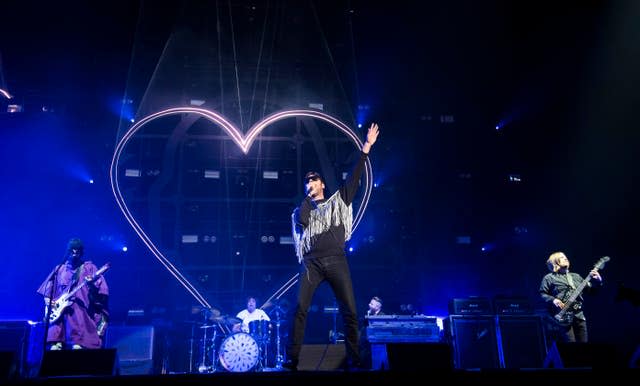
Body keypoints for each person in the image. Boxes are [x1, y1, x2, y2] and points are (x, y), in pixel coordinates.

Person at [284, 123, 380, 371]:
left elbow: (355, 179)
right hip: (311, 264)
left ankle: (354, 358)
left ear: (323, 184)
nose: (310, 182)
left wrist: (366, 147)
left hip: (336, 260)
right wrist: (308, 194)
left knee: (349, 310)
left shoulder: (338, 202)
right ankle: (292, 359)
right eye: (307, 181)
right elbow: (304, 221)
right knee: (299, 310)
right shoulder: (301, 209)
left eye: (314, 180)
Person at [37, 238, 109, 350]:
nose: (75, 254)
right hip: (59, 315)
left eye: (78, 251)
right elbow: (48, 289)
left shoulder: (89, 268)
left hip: (79, 314)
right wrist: (47, 300)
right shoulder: (59, 269)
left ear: (81, 252)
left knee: (77, 347)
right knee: (55, 348)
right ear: (68, 251)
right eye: (72, 251)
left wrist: (90, 285)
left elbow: (101, 293)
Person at [539, 251, 603, 343]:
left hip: (579, 316)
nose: (565, 258)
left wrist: (599, 281)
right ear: (555, 262)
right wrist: (554, 300)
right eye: (561, 257)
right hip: (563, 317)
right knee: (571, 349)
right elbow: (542, 294)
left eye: (565, 257)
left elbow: (592, 293)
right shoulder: (549, 278)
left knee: (584, 349)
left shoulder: (576, 277)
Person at [359, 296, 385, 370]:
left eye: (371, 304)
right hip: (366, 344)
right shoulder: (369, 314)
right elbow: (364, 327)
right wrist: (368, 315)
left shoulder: (382, 316)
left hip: (376, 345)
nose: (369, 305)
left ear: (377, 306)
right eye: (370, 303)